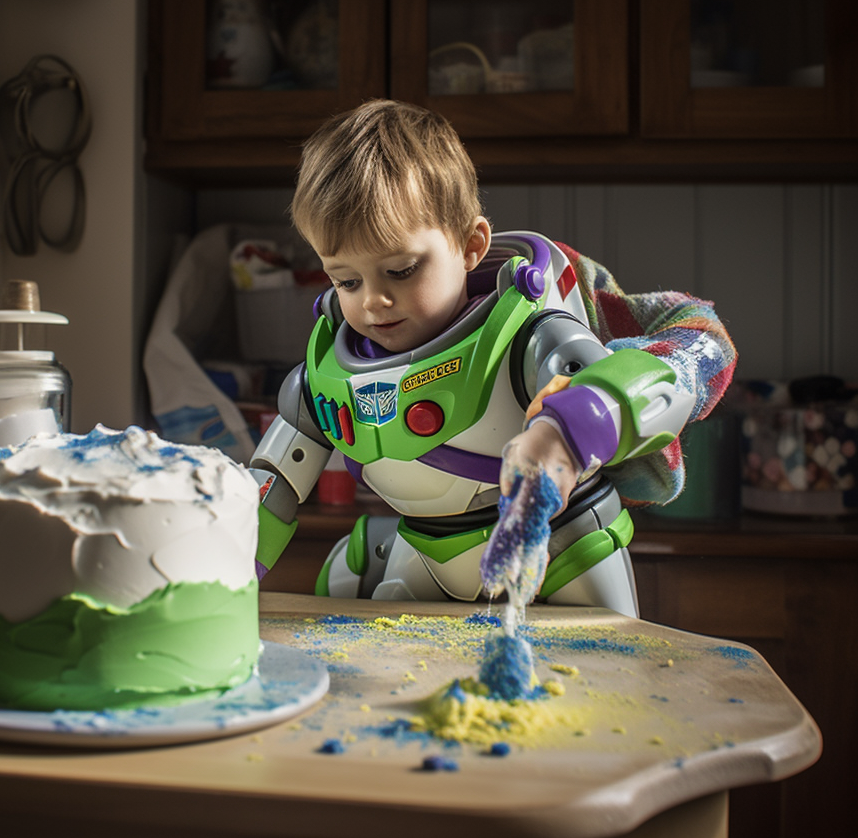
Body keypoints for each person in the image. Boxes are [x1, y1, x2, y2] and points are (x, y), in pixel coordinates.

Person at [249, 100, 736, 614]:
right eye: (346, 280)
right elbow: (268, 491)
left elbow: (685, 364)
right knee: (351, 594)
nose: (372, 301)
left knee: (605, 669)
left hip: (564, 542)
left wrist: (578, 425)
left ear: (470, 246)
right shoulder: (323, 379)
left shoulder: (529, 337)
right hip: (427, 549)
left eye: (402, 270)